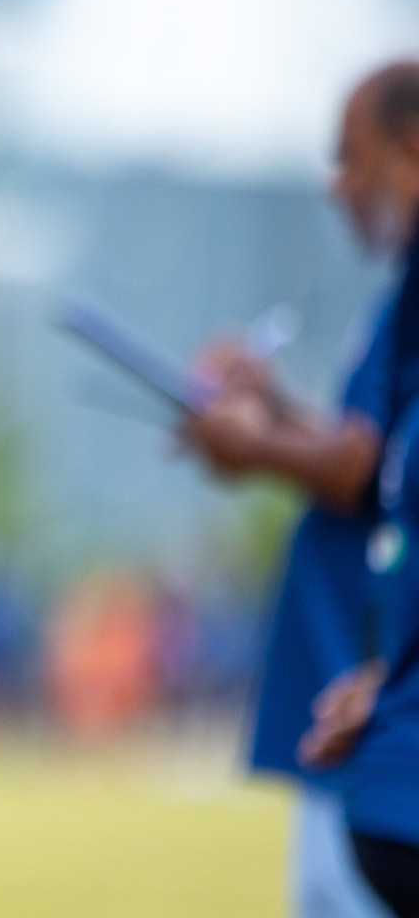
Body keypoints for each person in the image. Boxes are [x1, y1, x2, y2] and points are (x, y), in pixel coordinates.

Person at [185, 62, 419, 918]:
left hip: (377, 691)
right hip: (371, 686)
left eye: (351, 158)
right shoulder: (404, 291)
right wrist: (274, 413)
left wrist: (254, 444)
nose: (337, 185)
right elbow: (378, 444)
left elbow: (366, 464)